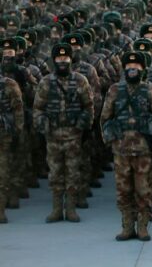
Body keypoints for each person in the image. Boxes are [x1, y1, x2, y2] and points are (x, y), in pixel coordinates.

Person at [100, 51, 152, 241]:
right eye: (129, 67)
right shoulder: (114, 90)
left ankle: (143, 226)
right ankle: (127, 226)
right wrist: (110, 141)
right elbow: (105, 118)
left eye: (136, 67)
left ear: (143, 69)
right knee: (123, 190)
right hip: (121, 150)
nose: (132, 70)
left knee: (143, 190)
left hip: (143, 150)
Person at [33, 43, 94, 224]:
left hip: (73, 135)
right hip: (52, 136)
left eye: (65, 58)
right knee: (55, 173)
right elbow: (38, 108)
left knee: (73, 172)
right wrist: (44, 126)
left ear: (70, 59)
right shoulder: (45, 82)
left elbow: (89, 107)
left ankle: (71, 209)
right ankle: (57, 209)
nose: (62, 61)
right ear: (54, 60)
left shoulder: (81, 80)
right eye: (59, 58)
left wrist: (82, 125)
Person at [0, 51, 25, 224]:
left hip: (4, 134)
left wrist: (17, 132)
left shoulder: (9, 85)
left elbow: (18, 111)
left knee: (3, 172)